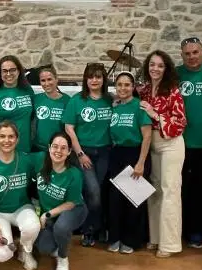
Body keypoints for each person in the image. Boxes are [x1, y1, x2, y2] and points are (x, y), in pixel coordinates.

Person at [138, 50, 187, 258]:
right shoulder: (146, 90)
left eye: (159, 65)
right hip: (152, 144)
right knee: (155, 191)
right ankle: (156, 237)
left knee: (170, 192)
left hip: (171, 143)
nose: (155, 68)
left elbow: (180, 122)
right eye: (152, 64)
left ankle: (170, 244)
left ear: (166, 69)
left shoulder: (173, 91)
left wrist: (154, 114)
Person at [0, 121, 40, 270]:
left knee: (32, 226)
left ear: (17, 139)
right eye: (2, 136)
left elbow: (49, 158)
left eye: (11, 136)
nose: (7, 140)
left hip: (21, 207)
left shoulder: (26, 160)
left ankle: (25, 250)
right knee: (2, 255)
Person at [62, 63, 113, 247]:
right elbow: (69, 128)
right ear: (85, 79)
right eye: (91, 77)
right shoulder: (77, 100)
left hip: (106, 152)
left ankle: (98, 227)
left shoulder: (110, 100)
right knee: (93, 191)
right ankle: (88, 230)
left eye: (98, 77)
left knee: (99, 191)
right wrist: (80, 153)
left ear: (103, 79)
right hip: (84, 153)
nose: (94, 80)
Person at [176, 36, 202, 249]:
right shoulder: (175, 74)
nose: (192, 57)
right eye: (187, 54)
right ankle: (177, 230)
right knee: (180, 189)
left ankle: (196, 231)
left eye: (195, 52)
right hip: (179, 144)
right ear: (182, 55)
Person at [107, 72, 152, 254]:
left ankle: (130, 240)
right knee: (115, 200)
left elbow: (147, 136)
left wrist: (140, 163)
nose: (123, 88)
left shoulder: (139, 108)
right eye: (119, 85)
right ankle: (115, 237)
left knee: (133, 201)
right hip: (117, 154)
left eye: (127, 85)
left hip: (135, 154)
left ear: (133, 87)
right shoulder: (115, 107)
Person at [33, 132, 88, 270]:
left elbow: (70, 203)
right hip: (51, 213)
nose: (58, 151)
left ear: (69, 151)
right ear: (49, 147)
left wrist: (47, 214)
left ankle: (63, 257)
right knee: (44, 248)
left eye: (63, 148)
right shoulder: (39, 159)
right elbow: (18, 157)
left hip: (73, 209)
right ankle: (60, 239)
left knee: (61, 227)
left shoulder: (74, 174)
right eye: (55, 147)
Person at [0, 55, 34, 154]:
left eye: (12, 70)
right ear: (0, 73)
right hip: (2, 150)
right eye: (5, 70)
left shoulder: (27, 90)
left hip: (24, 149)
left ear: (19, 71)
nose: (8, 73)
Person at [32, 65, 70, 151]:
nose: (46, 83)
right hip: (38, 148)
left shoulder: (67, 101)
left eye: (49, 79)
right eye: (43, 80)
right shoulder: (36, 99)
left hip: (58, 149)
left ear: (56, 79)